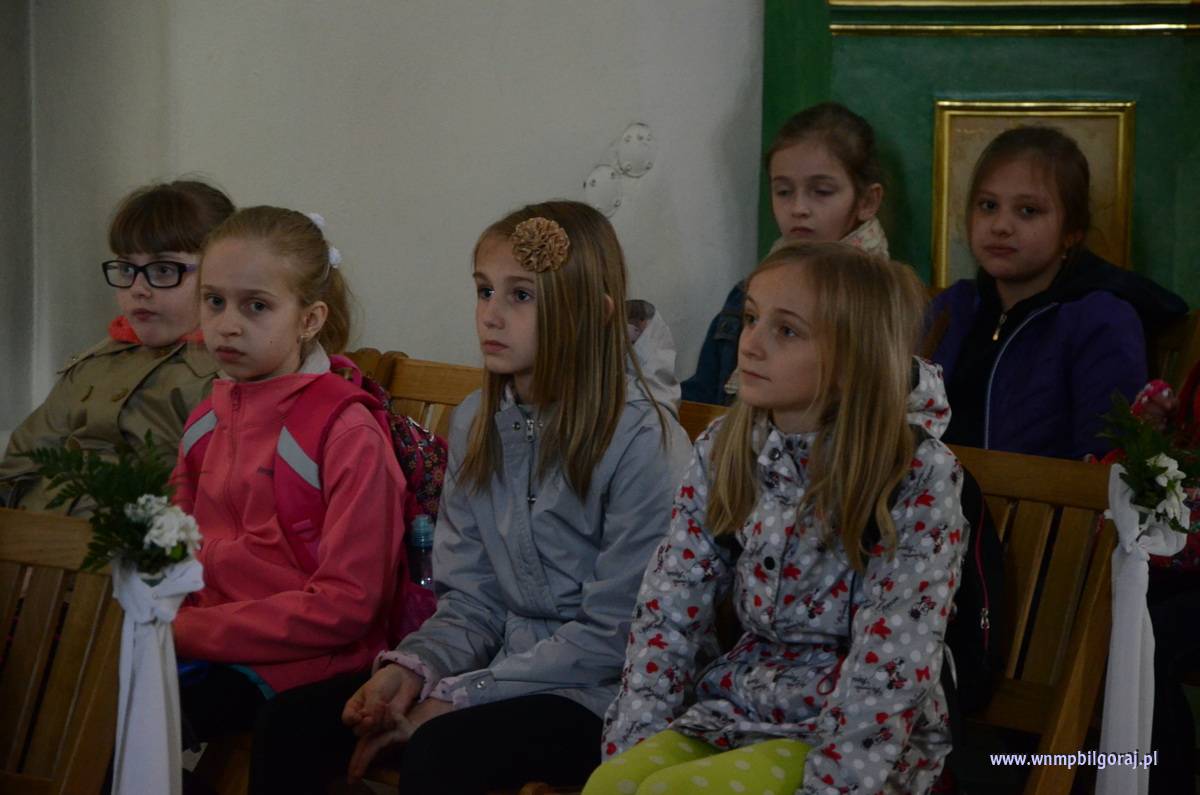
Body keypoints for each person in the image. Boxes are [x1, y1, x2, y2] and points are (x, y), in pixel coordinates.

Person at [338, 201, 692, 794]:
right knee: (304, 719)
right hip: (501, 668)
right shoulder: (478, 421)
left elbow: (619, 634)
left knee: (441, 751)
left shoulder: (644, 441)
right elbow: (471, 598)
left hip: (610, 694)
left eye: (520, 295)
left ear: (593, 315)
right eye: (484, 290)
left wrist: (461, 696)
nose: (491, 316)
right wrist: (415, 668)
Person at [588, 241, 967, 795]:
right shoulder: (727, 446)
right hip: (739, 706)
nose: (751, 343)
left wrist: (830, 787)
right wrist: (635, 742)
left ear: (852, 359)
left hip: (852, 744)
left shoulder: (913, 472)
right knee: (612, 784)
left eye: (786, 330)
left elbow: (892, 663)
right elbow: (669, 607)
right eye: (751, 318)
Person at [168, 207, 410, 792]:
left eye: (256, 306)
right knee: (89, 694)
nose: (227, 325)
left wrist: (186, 631)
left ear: (309, 319)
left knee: (152, 710)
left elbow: (349, 604)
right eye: (214, 301)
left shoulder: (345, 431)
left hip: (316, 658)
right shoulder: (204, 420)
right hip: (207, 640)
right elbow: (171, 550)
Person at [925, 125, 1186, 460]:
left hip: (1039, 494)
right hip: (933, 491)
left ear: (1071, 232)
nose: (1000, 226)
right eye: (988, 205)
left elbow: (1104, 461)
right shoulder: (952, 307)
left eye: (1028, 211)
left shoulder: (1101, 320)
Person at [0, 179, 233, 513]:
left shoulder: (227, 377)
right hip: (39, 537)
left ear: (224, 275)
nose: (138, 288)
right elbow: (18, 468)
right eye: (126, 269)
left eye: (163, 269)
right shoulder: (94, 364)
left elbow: (220, 501)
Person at [681, 101, 889, 406]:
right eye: (784, 191)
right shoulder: (746, 295)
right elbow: (700, 400)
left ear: (867, 201)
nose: (798, 208)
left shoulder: (881, 305)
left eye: (821, 191)